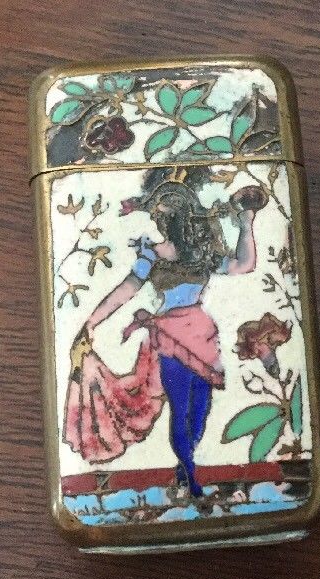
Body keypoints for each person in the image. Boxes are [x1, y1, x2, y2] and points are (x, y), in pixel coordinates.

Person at [64, 171, 267, 497]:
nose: (164, 222)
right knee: (180, 409)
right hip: (169, 339)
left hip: (202, 337)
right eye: (162, 216)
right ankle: (192, 479)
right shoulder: (153, 254)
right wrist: (92, 321)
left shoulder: (201, 253)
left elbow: (244, 265)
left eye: (169, 215)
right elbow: (127, 289)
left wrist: (246, 222)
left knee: (200, 411)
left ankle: (185, 469)